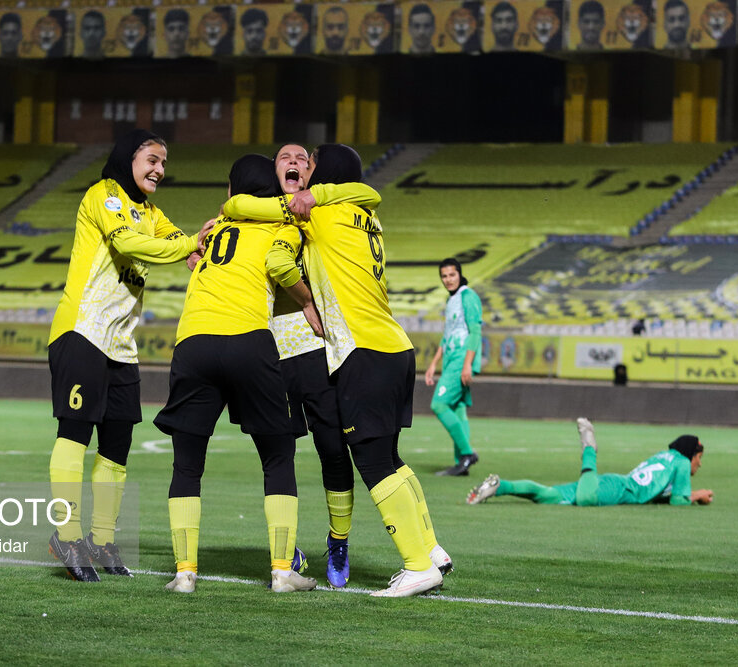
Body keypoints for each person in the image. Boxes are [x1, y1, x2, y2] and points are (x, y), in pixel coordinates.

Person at [221, 144, 452, 598]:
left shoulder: (318, 217)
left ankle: (418, 565)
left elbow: (251, 225)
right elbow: (366, 194)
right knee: (390, 459)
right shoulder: (366, 217)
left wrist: (305, 297)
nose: (305, 175)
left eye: (313, 168)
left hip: (360, 350)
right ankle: (431, 549)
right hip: (395, 347)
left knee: (369, 461)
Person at [154, 154, 320, 595]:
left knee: (187, 463)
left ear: (232, 191)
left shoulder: (216, 227)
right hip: (248, 337)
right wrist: (306, 302)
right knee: (278, 454)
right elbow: (282, 267)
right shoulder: (282, 226)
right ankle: (283, 572)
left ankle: (185, 573)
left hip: (194, 341)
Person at [46, 130, 205, 583]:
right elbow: (130, 245)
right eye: (151, 159)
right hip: (82, 331)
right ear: (128, 158)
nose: (158, 169)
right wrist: (187, 244)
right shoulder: (106, 195)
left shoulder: (150, 212)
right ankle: (67, 534)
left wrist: (204, 243)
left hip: (121, 345)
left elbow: (180, 240)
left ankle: (100, 537)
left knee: (117, 446)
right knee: (74, 433)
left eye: (163, 163)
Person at [467, 418, 714, 507]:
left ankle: (500, 486)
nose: (699, 464)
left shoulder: (665, 456)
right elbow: (679, 500)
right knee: (586, 498)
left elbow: (658, 491)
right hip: (615, 489)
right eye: (699, 458)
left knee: (546, 495)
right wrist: (698, 494)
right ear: (690, 453)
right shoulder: (681, 461)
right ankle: (589, 445)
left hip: (615, 484)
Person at [425, 258, 483, 477]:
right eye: (444, 276)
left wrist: (467, 364)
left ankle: (467, 454)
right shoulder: (452, 300)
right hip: (452, 358)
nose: (448, 280)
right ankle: (462, 463)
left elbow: (475, 331)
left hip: (461, 358)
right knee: (458, 409)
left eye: (451, 275)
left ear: (460, 274)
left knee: (439, 404)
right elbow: (447, 336)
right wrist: (433, 363)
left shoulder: (468, 296)